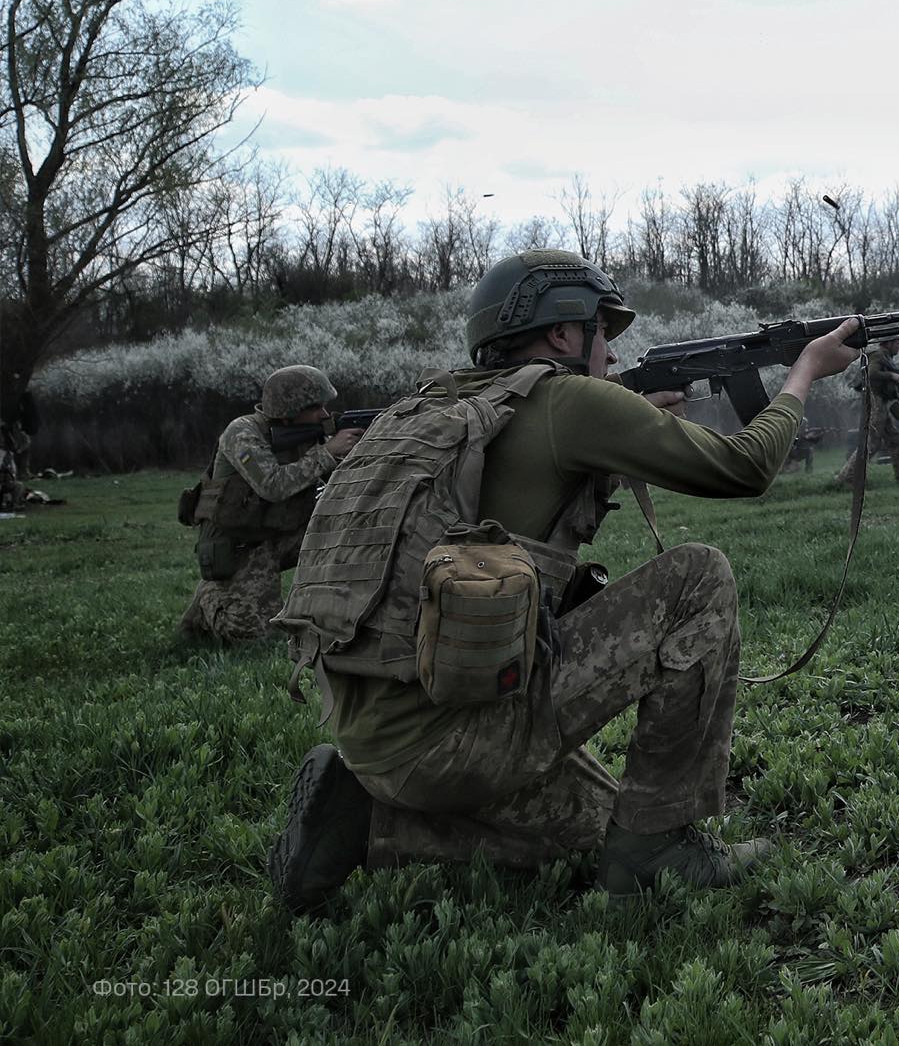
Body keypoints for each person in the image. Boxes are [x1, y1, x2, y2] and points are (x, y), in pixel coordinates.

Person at [266, 249, 860, 912]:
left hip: (376, 735)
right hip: (456, 738)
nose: (609, 352)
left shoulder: (431, 408)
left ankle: (360, 819)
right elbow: (744, 467)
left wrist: (628, 415)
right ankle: (657, 848)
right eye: (604, 331)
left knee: (597, 830)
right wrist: (805, 372)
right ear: (563, 332)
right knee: (698, 579)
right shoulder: (569, 400)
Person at [176, 366, 363, 641]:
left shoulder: (308, 433)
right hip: (241, 548)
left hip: (280, 534)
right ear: (289, 409)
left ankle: (339, 609)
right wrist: (327, 452)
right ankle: (210, 602)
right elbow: (273, 485)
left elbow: (341, 480)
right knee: (256, 637)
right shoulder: (242, 433)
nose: (324, 414)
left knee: (349, 529)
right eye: (315, 407)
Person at [831, 337, 899, 485]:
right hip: (875, 401)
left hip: (880, 401)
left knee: (895, 438)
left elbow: (884, 381)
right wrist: (892, 376)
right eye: (897, 343)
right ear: (889, 343)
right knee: (872, 442)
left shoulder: (885, 357)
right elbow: (872, 374)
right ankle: (847, 478)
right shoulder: (879, 355)